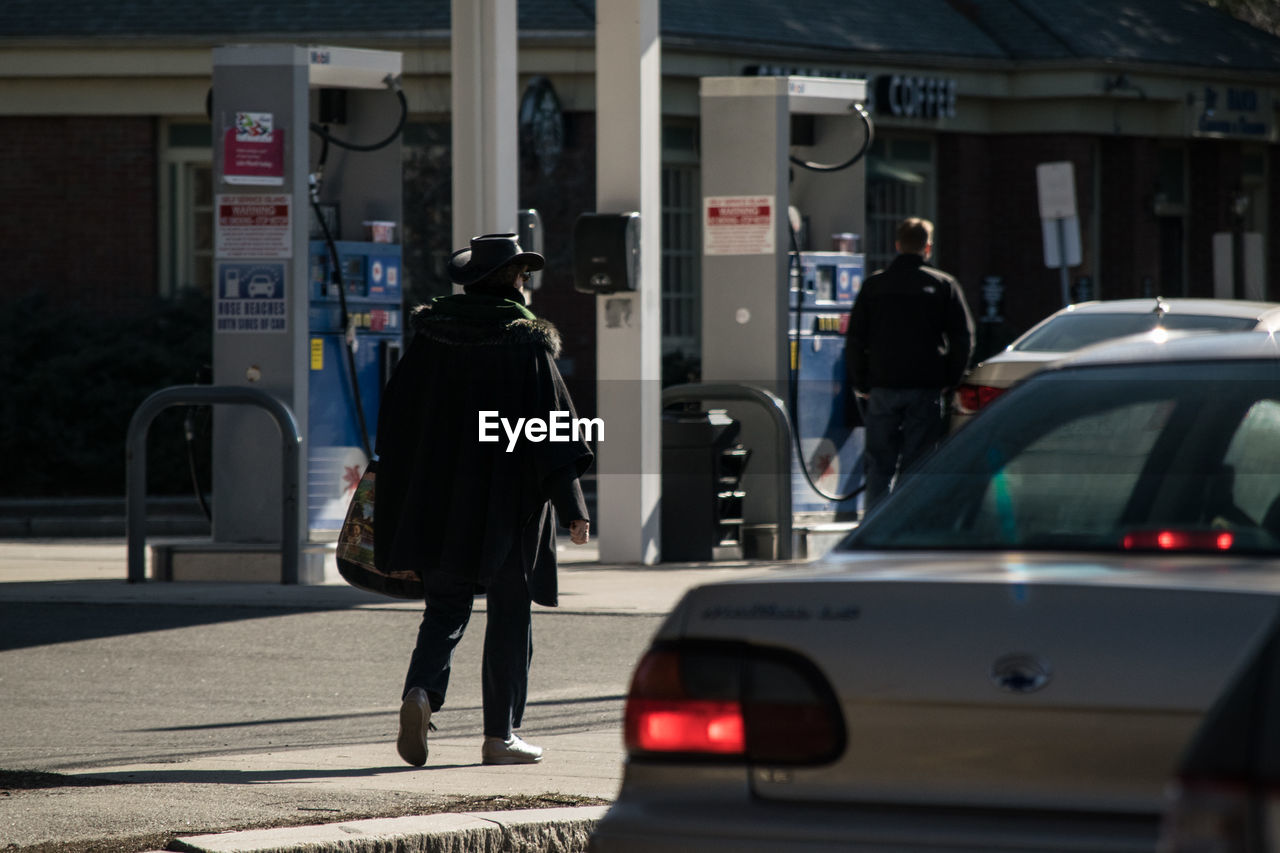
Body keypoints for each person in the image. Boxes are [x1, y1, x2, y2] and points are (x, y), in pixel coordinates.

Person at [373, 233, 593, 767]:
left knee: (444, 608)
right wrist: (573, 508)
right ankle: (500, 735)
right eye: (523, 276)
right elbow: (552, 432)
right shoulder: (527, 341)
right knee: (510, 614)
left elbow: (396, 420)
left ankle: (421, 693)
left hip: (440, 503)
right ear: (511, 282)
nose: (526, 285)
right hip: (509, 505)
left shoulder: (430, 336)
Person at [845, 217, 974, 512]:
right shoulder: (943, 285)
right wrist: (950, 379)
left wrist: (862, 383)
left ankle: (874, 526)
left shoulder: (874, 286)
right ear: (927, 247)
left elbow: (854, 340)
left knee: (879, 462)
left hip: (882, 387)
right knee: (918, 462)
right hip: (925, 387)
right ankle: (908, 522)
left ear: (897, 245)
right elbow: (963, 338)